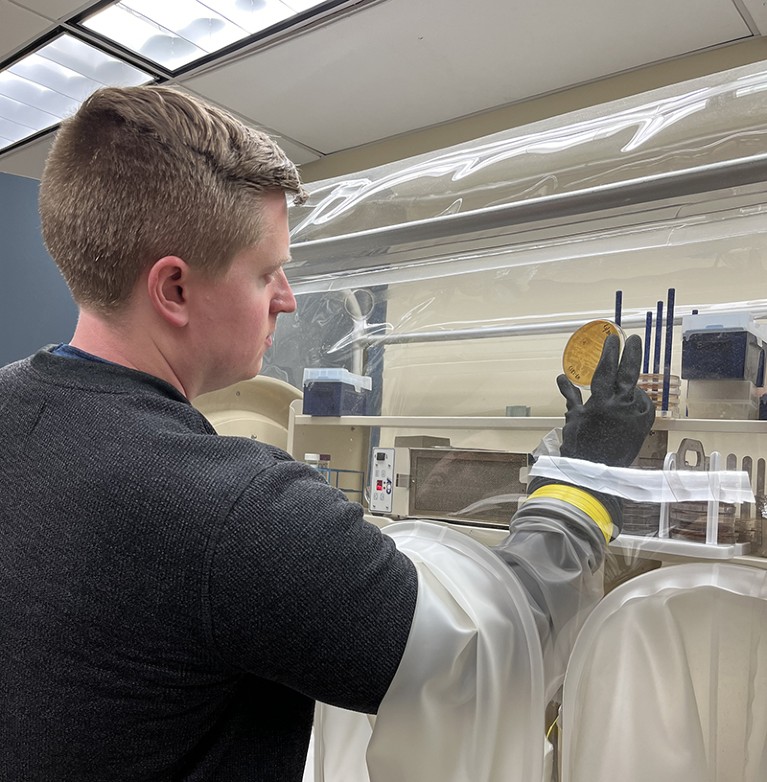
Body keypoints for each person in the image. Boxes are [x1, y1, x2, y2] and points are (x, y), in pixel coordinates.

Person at [0, 85, 654, 782]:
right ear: (175, 289)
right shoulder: (232, 509)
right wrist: (584, 478)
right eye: (267, 272)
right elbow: (488, 655)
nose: (286, 297)